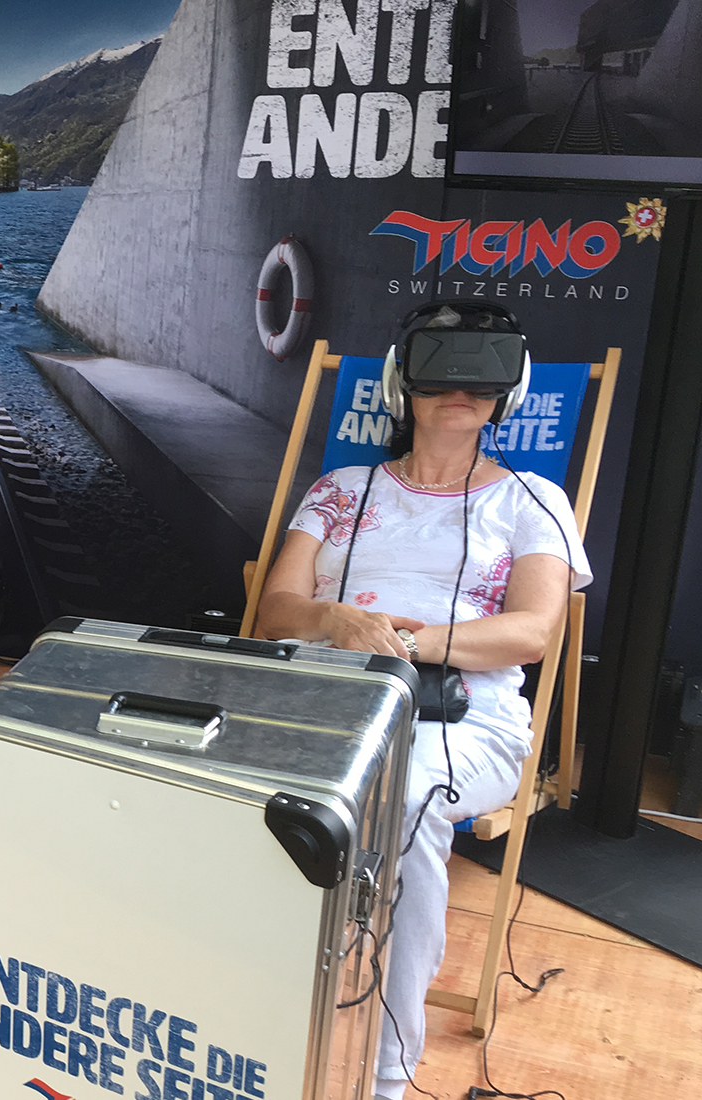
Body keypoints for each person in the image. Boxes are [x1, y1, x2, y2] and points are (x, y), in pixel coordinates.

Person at [254, 306, 588, 1100]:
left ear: (510, 391)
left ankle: (384, 1072)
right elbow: (276, 610)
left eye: (483, 375)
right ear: (402, 385)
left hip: (459, 718)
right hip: (322, 697)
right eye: (440, 372)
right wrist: (335, 621)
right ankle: (252, 1013)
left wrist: (409, 641)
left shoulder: (532, 499)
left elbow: (533, 632)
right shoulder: (341, 490)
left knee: (399, 798)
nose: (461, 389)